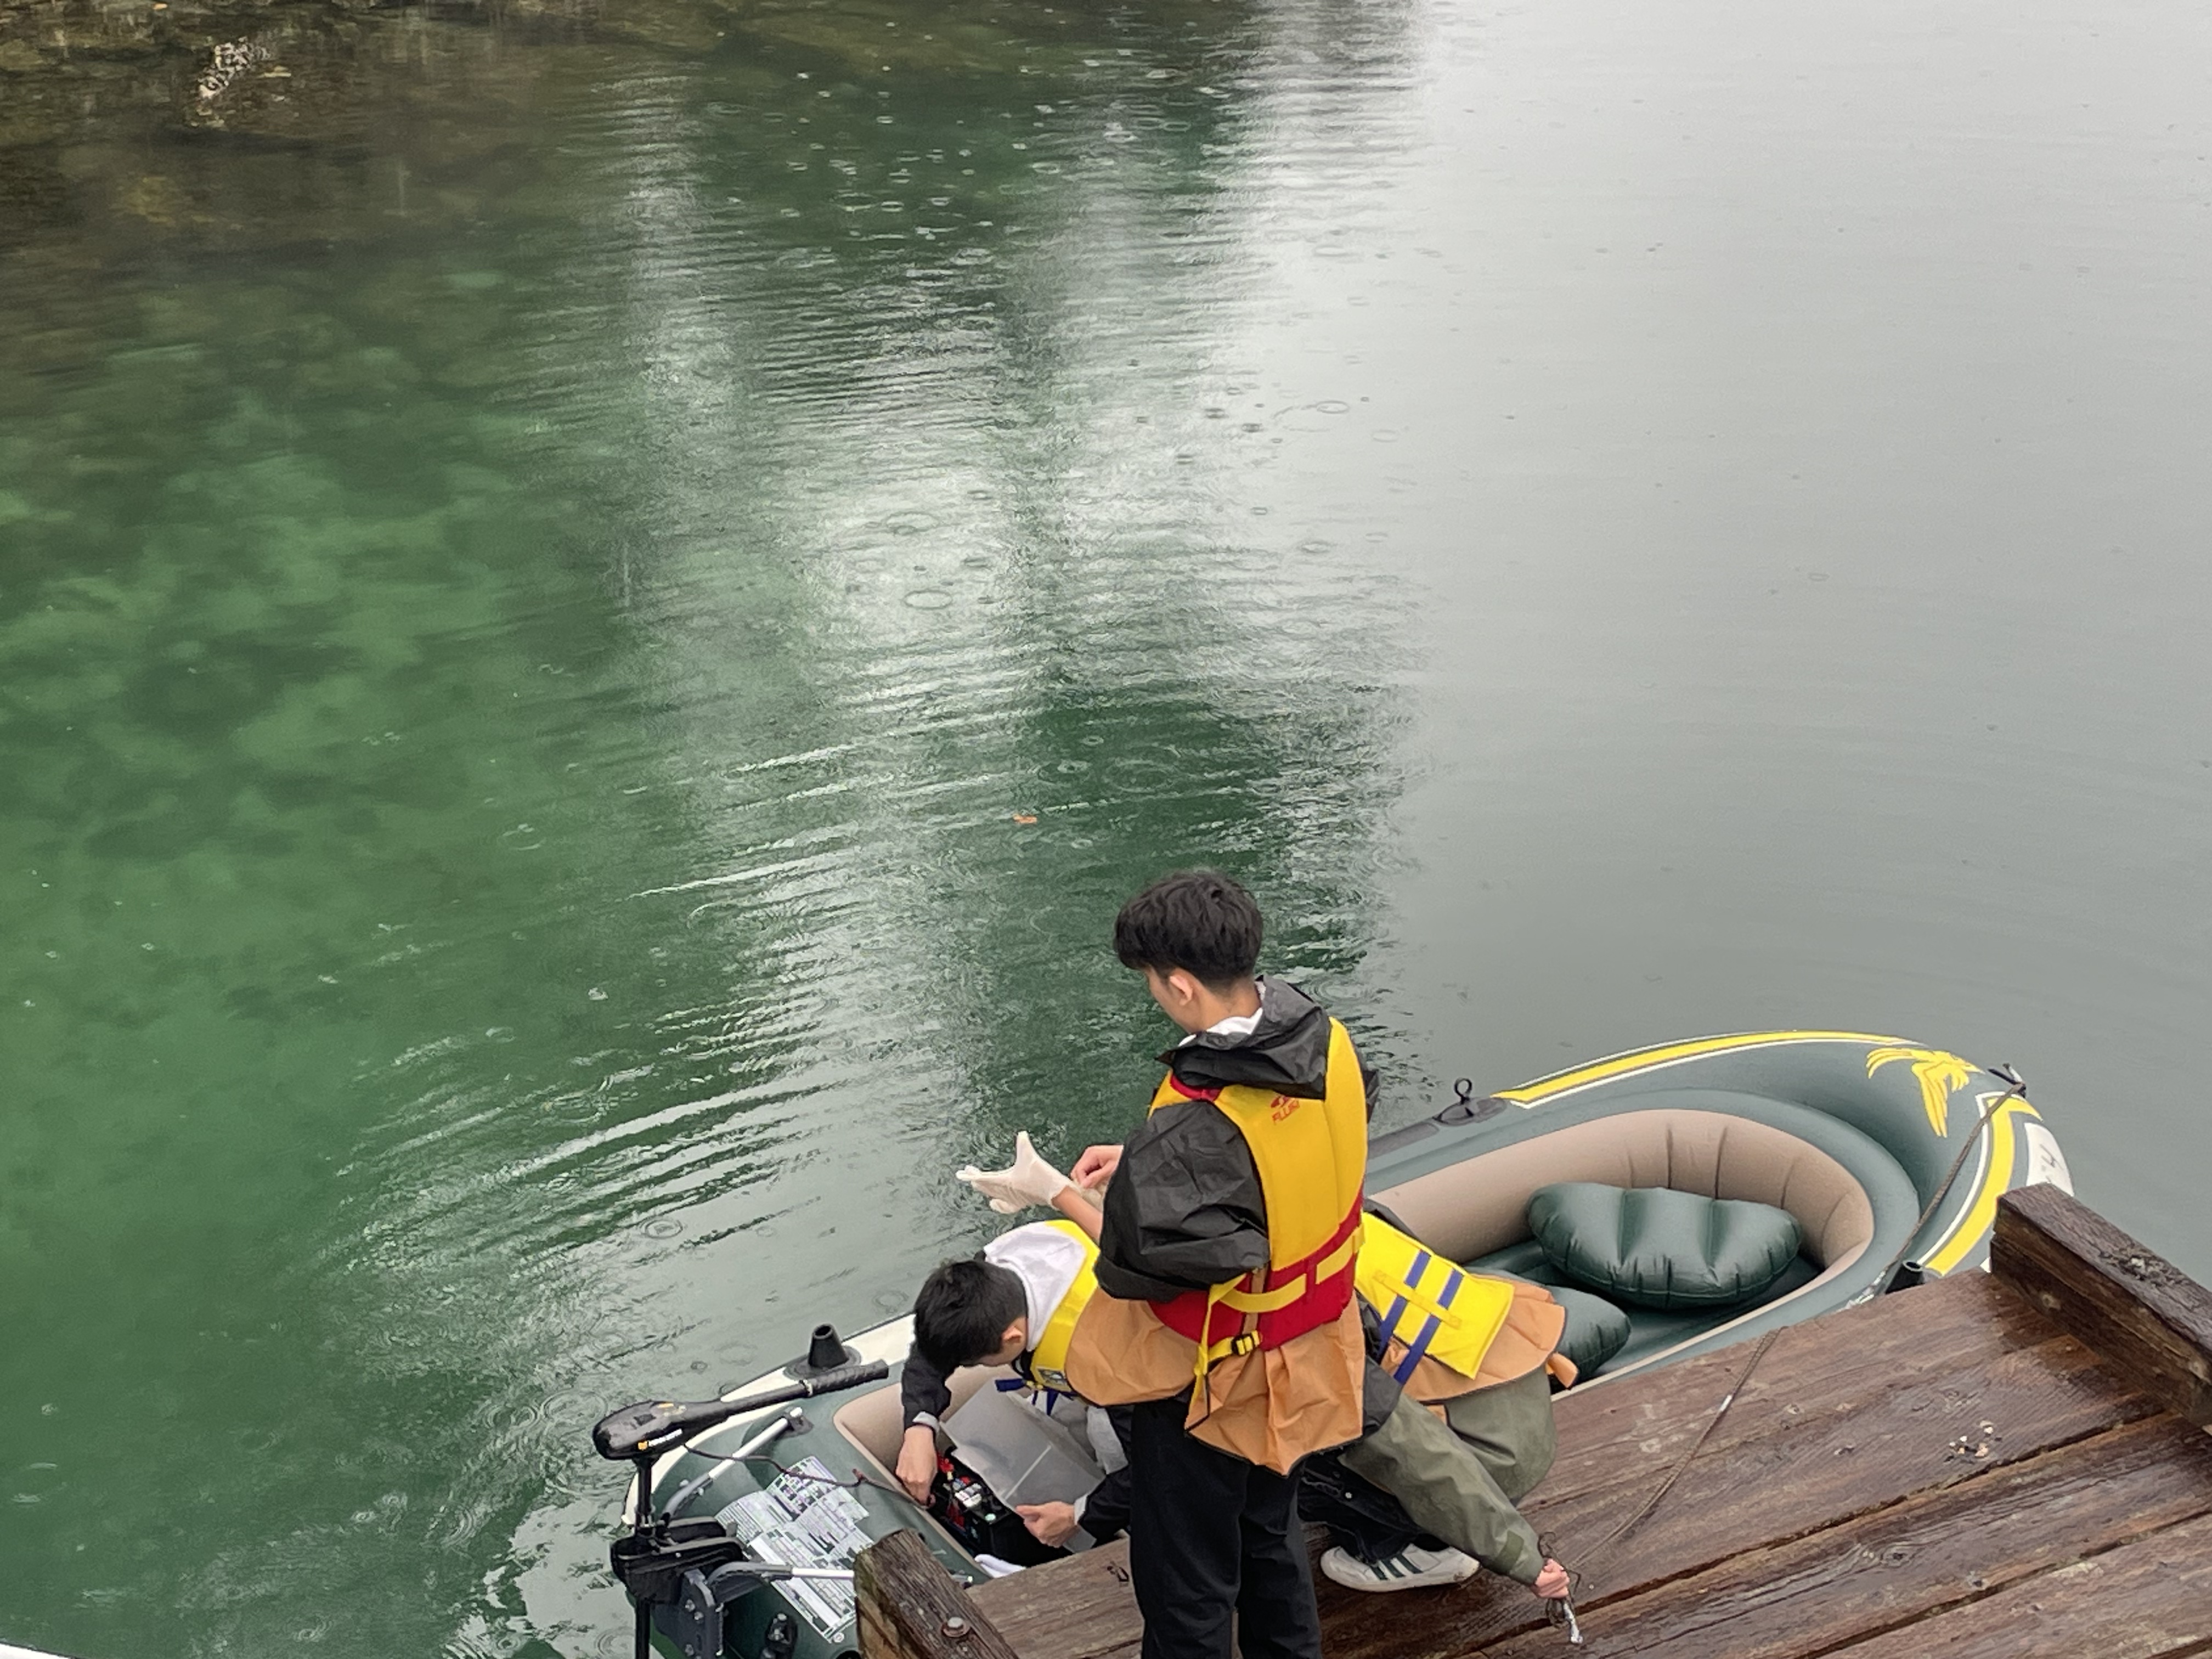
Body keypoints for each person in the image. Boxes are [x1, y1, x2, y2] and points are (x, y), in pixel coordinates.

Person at [1056, 870, 1370, 1659]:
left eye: (1152, 983)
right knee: (1270, 1536)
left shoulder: (1196, 1124)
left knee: (1187, 1582)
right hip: (1313, 1346)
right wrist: (1151, 1161)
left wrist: (1098, 1187)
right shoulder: (1324, 1039)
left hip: (1216, 1375)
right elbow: (1285, 1149)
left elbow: (1138, 1267)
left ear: (1181, 985)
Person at [891, 1184, 1132, 1550]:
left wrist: (1082, 1515)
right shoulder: (994, 1272)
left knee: (1109, 1437)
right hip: (1075, 1383)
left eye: (975, 1362)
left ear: (1013, 1338)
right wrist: (919, 1428)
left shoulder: (1102, 1345)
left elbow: (1160, 1463)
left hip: (1139, 1398)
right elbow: (932, 1350)